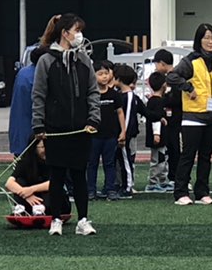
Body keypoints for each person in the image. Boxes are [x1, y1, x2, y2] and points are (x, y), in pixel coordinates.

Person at [31, 12, 99, 235]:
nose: (80, 35)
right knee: (57, 176)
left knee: (80, 175)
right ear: (65, 32)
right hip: (55, 129)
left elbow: (93, 92)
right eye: (77, 30)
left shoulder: (85, 61)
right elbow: (38, 95)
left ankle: (83, 220)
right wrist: (38, 125)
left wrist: (93, 118)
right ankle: (56, 219)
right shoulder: (46, 61)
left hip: (81, 129)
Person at [166, 22, 212, 205]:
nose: (210, 41)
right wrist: (188, 88)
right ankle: (181, 193)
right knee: (188, 156)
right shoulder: (190, 61)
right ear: (199, 40)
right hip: (193, 116)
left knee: (206, 157)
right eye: (206, 38)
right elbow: (172, 77)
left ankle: (202, 192)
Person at [87, 60, 125, 201]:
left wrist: (123, 131)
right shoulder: (90, 95)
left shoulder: (114, 95)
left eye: (106, 73)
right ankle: (91, 190)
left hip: (110, 136)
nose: (104, 76)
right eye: (100, 74)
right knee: (92, 163)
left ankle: (110, 189)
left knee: (109, 163)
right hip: (94, 136)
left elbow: (120, 113)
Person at [6, 134, 56, 217]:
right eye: (42, 147)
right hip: (30, 200)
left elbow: (55, 182)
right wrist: (26, 195)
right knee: (20, 181)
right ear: (34, 148)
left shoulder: (54, 161)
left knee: (52, 189)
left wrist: (31, 190)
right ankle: (21, 208)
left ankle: (40, 209)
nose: (45, 150)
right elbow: (9, 183)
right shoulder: (25, 161)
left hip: (50, 200)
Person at [143, 71, 175, 192]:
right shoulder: (156, 101)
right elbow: (155, 118)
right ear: (163, 85)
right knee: (157, 159)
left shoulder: (157, 100)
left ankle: (162, 180)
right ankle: (153, 182)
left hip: (162, 135)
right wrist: (156, 134)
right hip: (157, 136)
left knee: (163, 158)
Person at [112, 62, 141, 200]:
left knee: (125, 160)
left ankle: (128, 187)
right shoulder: (119, 94)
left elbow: (127, 116)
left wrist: (124, 134)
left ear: (118, 79)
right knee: (120, 160)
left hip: (125, 135)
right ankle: (121, 184)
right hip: (119, 134)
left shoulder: (128, 96)